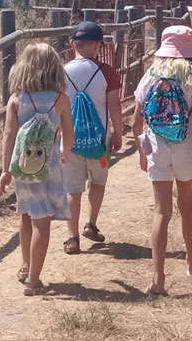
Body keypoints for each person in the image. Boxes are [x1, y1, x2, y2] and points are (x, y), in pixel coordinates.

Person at [131, 25, 192, 296]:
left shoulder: (150, 76)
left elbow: (135, 121)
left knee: (161, 211)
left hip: (156, 145)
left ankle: (157, 278)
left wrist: (143, 152)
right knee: (187, 205)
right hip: (184, 145)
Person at [0, 43, 74, 295]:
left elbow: (9, 135)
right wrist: (64, 152)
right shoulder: (61, 100)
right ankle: (33, 280)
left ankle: (25, 265)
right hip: (49, 168)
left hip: (22, 168)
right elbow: (68, 134)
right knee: (43, 221)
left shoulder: (17, 100)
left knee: (27, 215)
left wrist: (5, 169)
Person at [61, 20, 123, 255]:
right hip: (99, 141)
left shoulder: (62, 71)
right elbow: (114, 105)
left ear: (72, 44)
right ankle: (91, 224)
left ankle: (72, 237)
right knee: (97, 182)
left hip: (69, 139)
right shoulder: (105, 71)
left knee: (72, 189)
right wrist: (117, 133)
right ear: (98, 45)